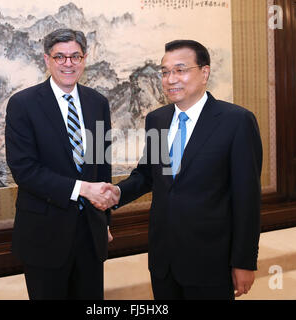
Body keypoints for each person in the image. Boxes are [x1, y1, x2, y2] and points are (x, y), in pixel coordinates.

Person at [98, 40, 263, 300]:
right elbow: (146, 174)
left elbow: (248, 199)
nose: (170, 79)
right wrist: (117, 193)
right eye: (165, 72)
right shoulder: (158, 119)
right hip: (164, 260)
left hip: (212, 261)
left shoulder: (236, 121)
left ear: (204, 73)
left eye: (180, 70)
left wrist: (244, 261)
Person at [5, 28, 115, 300]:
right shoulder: (23, 104)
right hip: (44, 235)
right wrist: (81, 189)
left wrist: (106, 220)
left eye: (75, 56)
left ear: (84, 59)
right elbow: (24, 170)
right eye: (60, 57)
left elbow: (102, 166)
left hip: (91, 232)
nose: (69, 63)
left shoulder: (97, 103)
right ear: (47, 60)